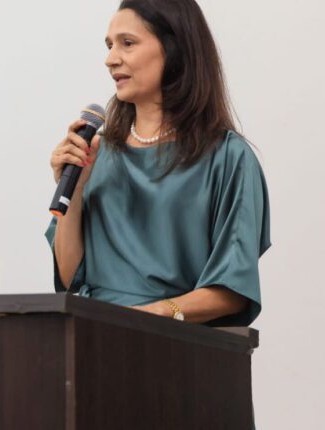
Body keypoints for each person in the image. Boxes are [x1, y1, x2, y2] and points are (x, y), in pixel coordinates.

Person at [46, 0, 270, 326]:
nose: (111, 59)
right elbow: (71, 280)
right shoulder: (97, 153)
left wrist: (159, 313)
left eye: (127, 43)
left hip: (173, 342)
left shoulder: (227, 158)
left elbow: (232, 289)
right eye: (109, 46)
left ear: (174, 47)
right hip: (94, 336)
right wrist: (76, 187)